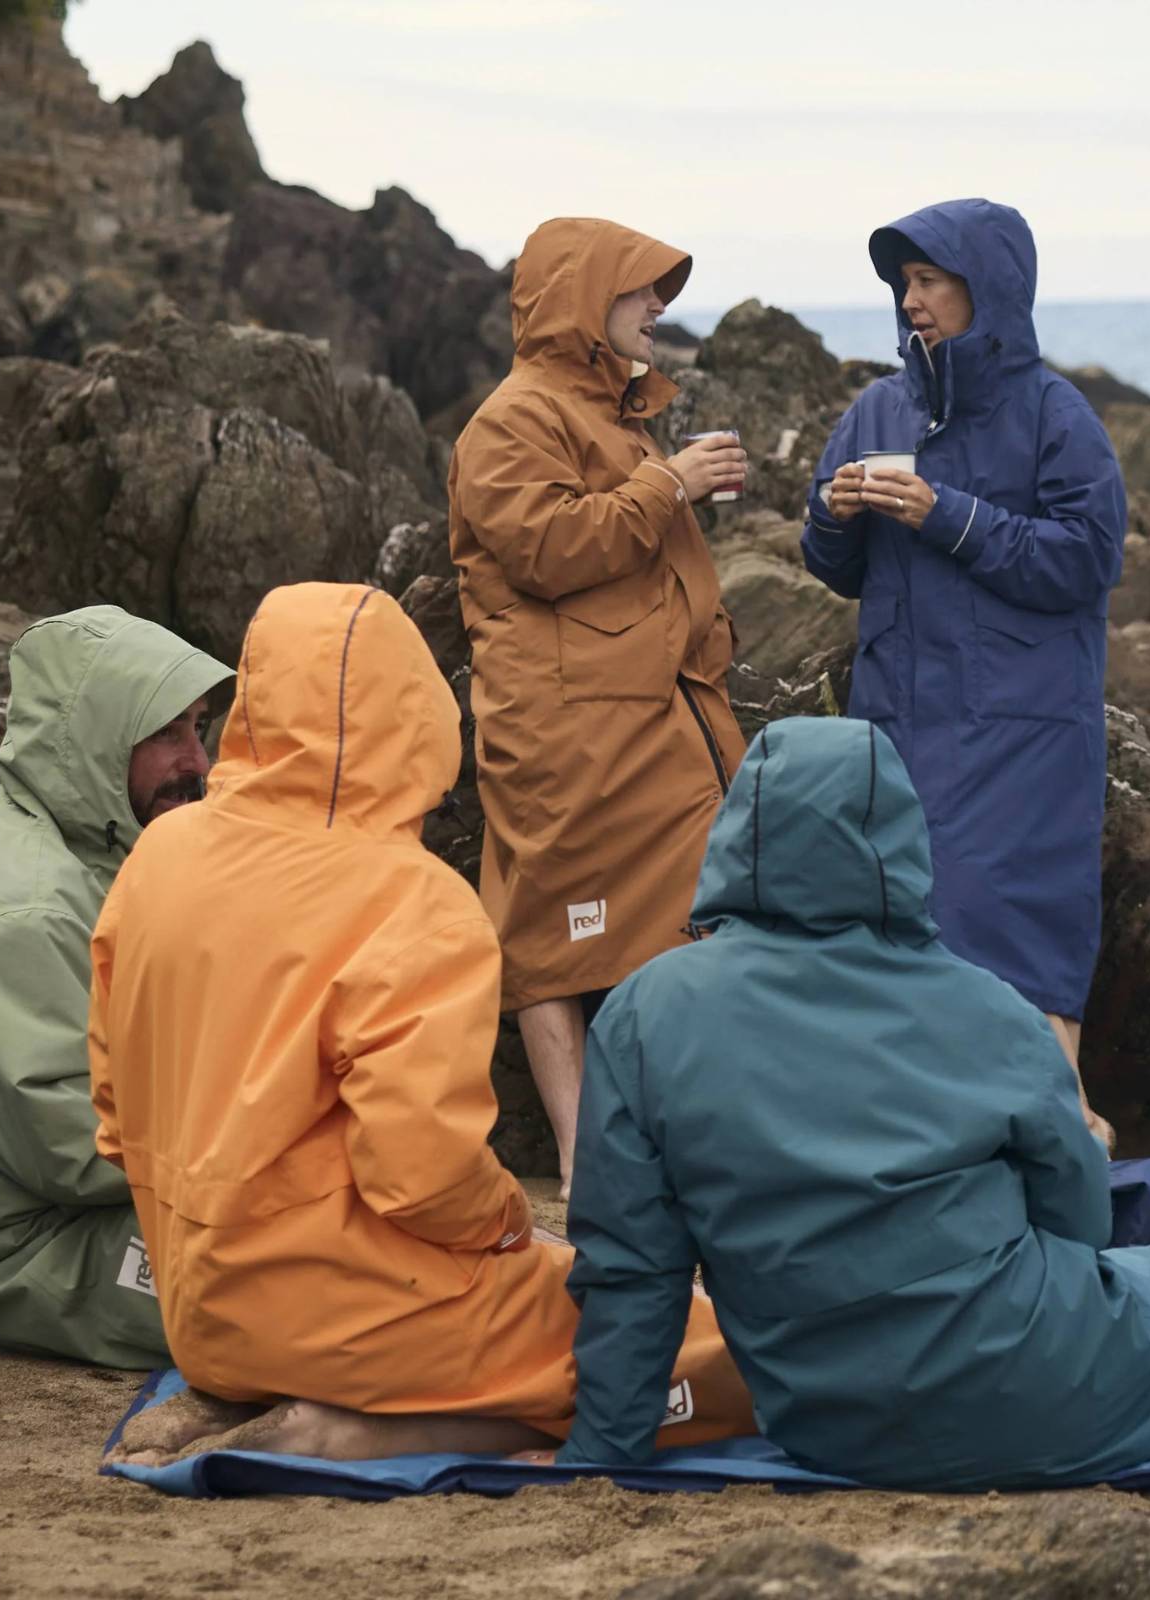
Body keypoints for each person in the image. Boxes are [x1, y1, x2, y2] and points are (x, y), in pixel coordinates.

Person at [562, 717, 1150, 1485]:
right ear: (901, 843)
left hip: (830, 1424)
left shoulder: (646, 1012)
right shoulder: (985, 1003)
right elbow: (1074, 1219)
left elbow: (633, 1269)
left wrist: (604, 1450)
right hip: (1030, 1381)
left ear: (739, 837)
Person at [91, 583, 754, 1463]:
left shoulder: (160, 857)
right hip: (360, 1316)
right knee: (706, 1355)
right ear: (417, 712)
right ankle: (350, 1431)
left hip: (200, 1309)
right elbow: (421, 1176)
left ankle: (269, 1402)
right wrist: (512, 1224)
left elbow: (113, 1114)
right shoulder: (413, 900)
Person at [801, 199, 1125, 1137]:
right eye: (905, 283)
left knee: (1022, 936)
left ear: (987, 290)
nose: (912, 301)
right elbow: (831, 568)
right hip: (898, 724)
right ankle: (933, 1156)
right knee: (902, 942)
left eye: (930, 281)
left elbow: (1085, 559)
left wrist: (944, 513)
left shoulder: (1054, 414)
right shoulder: (878, 408)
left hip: (1023, 727)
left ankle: (1071, 1146)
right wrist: (836, 512)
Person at [448, 218, 746, 1188]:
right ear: (582, 297)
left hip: (649, 717)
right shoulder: (509, 419)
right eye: (638, 289)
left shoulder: (611, 412)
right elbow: (546, 548)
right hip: (563, 729)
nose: (657, 306)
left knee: (681, 926)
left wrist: (667, 477)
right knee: (551, 939)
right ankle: (583, 1167)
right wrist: (669, 482)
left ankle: (669, 1150)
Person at [0, 606, 231, 1370]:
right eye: (167, 734)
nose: (198, 763)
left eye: (199, 729)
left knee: (377, 1232)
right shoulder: (20, 920)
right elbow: (80, 1153)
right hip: (27, 1249)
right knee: (318, 1285)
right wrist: (282, 1124)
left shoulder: (114, 855)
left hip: (133, 1190)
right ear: (95, 739)